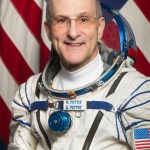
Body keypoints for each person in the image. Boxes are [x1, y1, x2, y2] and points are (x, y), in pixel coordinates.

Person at [8, 0, 150, 149]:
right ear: (48, 30)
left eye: (84, 20)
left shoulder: (137, 94)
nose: (73, 33)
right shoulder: (29, 94)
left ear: (100, 27)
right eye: (62, 20)